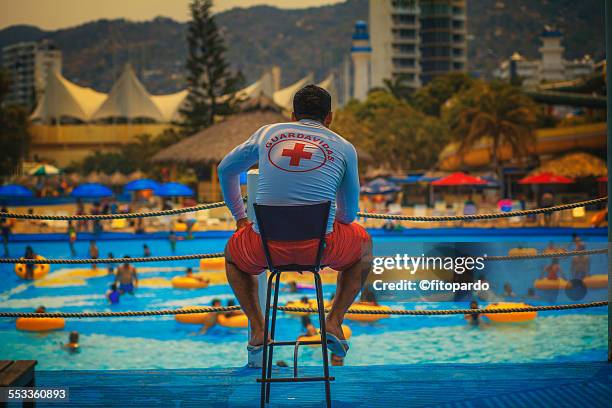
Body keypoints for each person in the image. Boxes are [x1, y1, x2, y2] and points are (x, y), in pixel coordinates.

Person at [218, 85, 371, 357]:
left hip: (265, 247)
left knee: (232, 256)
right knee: (365, 248)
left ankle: (257, 328)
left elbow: (225, 170)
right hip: (320, 249)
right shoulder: (345, 148)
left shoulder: (268, 133)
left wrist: (240, 218)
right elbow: (348, 216)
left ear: (292, 115)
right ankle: (334, 322)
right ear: (330, 118)